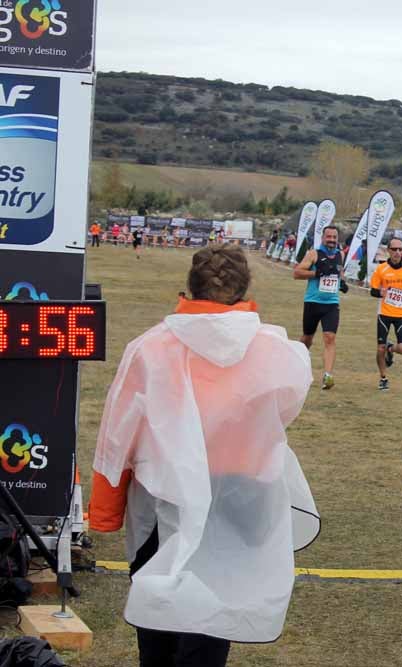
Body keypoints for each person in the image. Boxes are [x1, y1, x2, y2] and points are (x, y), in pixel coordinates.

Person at [90, 245, 320, 667]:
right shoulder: (277, 351)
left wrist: (105, 511)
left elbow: (117, 438)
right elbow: (284, 408)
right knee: (216, 609)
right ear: (244, 290)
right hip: (240, 497)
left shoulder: (150, 348)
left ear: (190, 287)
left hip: (164, 495)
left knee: (160, 610)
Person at [294, 225, 348, 390]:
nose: (331, 240)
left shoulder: (340, 254)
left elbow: (338, 271)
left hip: (331, 303)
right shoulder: (314, 254)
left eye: (334, 237)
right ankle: (296, 364)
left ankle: (327, 375)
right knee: (307, 338)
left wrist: (342, 282)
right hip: (313, 302)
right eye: (328, 237)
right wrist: (316, 273)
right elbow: (297, 273)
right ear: (323, 238)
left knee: (329, 337)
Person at [370, 237, 402, 390]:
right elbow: (373, 290)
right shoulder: (381, 269)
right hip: (384, 313)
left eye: (400, 249)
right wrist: (380, 293)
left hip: (401, 313)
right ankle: (383, 378)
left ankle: (390, 348)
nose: (397, 252)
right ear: (388, 251)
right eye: (394, 249)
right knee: (380, 348)